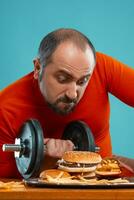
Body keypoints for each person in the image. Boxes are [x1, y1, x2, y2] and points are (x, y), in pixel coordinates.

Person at [0, 28, 134, 178]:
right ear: (38, 68)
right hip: (43, 183)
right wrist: (48, 163)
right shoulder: (5, 109)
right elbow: (8, 188)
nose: (73, 93)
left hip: (104, 174)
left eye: (82, 81)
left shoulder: (100, 68)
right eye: (63, 79)